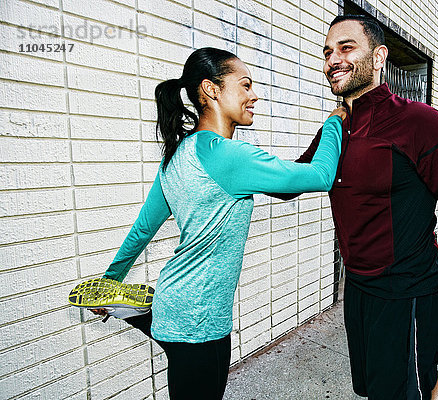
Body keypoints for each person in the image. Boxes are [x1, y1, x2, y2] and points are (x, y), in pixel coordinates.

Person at [273, 15, 438, 400]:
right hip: (359, 290)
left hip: (408, 292)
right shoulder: (337, 128)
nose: (333, 60)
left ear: (379, 58)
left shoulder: (419, 122)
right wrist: (220, 152)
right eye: (328, 52)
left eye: (346, 48)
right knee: (375, 391)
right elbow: (291, 183)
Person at [68, 47, 346, 400]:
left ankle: (131, 306)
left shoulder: (177, 154)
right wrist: (337, 119)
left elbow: (142, 229)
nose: (253, 95)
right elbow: (321, 176)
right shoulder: (231, 156)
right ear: (211, 90)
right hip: (196, 323)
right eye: (245, 85)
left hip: (187, 308)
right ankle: (133, 308)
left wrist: (110, 282)